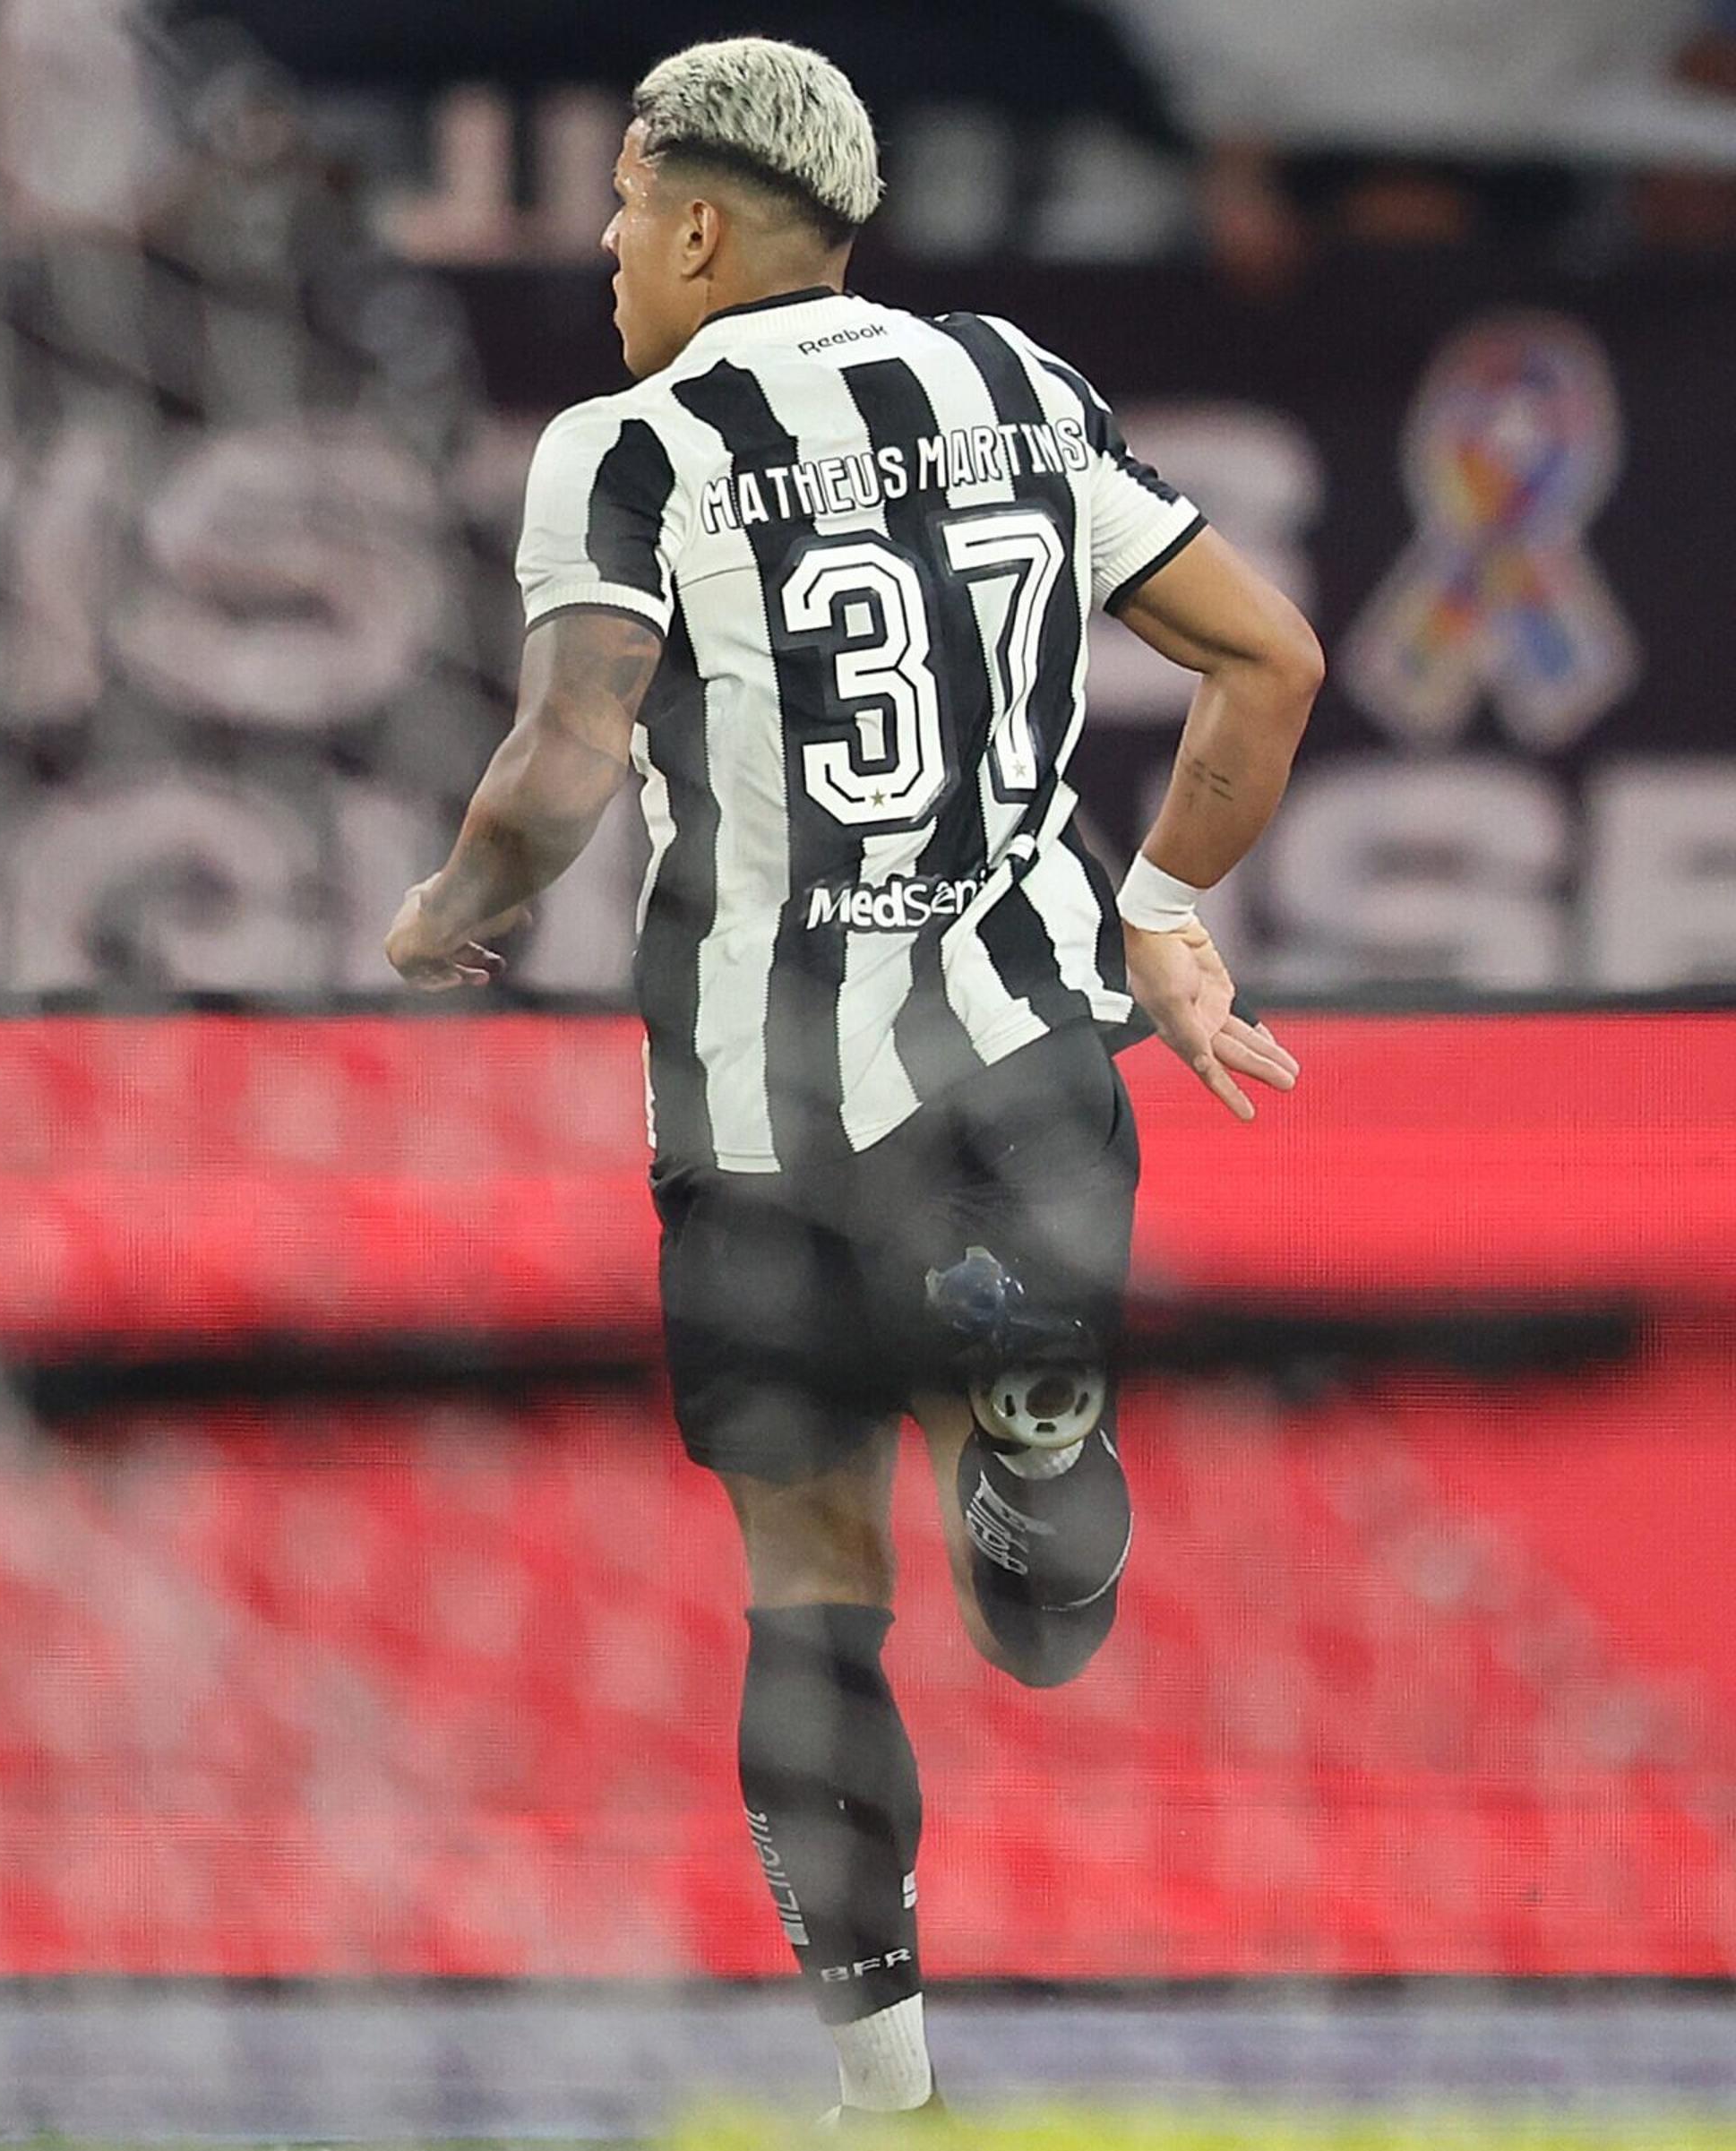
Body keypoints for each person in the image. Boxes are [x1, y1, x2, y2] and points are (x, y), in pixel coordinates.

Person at [382, 36, 1321, 2123]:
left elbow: (559, 759)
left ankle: (886, 2091)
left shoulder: (626, 444)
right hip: (1022, 1061)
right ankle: (1035, 1406)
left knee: (814, 1593)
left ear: (699, 223)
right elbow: (1271, 660)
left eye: (625, 210)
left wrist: (451, 908)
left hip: (762, 1114)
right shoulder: (1015, 379)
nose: (612, 250)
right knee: (1048, 1620)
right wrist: (1157, 905)